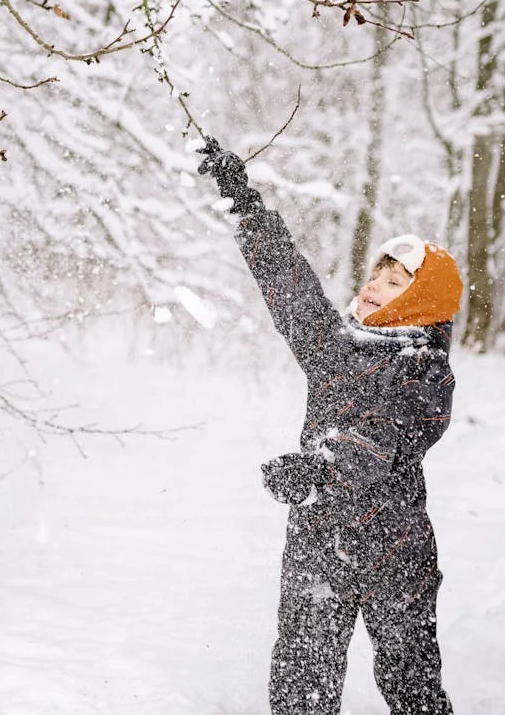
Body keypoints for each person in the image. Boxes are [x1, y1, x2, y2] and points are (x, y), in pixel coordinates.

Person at [197, 136, 461, 715]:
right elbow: (293, 292)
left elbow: (388, 441)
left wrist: (322, 472)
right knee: (300, 683)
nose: (371, 287)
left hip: (395, 551)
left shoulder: (426, 370)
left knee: (410, 683)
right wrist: (246, 207)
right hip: (318, 542)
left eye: (394, 284)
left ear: (424, 300)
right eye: (375, 276)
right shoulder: (337, 348)